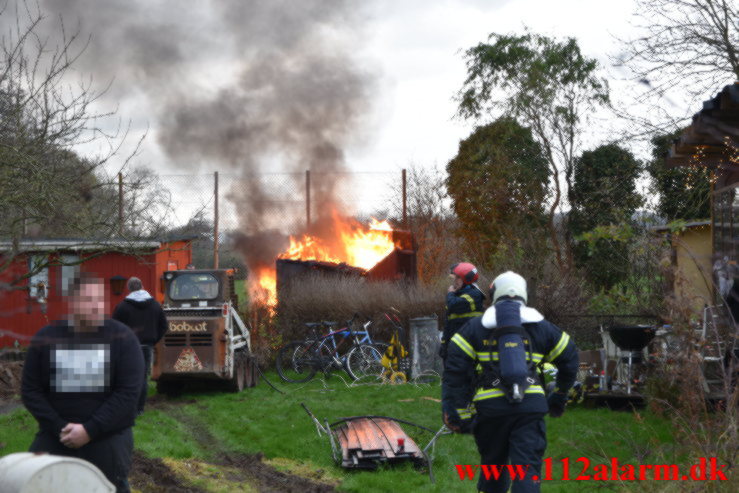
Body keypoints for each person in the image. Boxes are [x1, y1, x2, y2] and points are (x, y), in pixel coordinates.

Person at [442, 271, 579, 493]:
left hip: (490, 410)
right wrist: (559, 396)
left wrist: (460, 413)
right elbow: (570, 359)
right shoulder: (542, 327)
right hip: (530, 408)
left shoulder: (475, 328)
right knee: (526, 471)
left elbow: (455, 373)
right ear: (523, 294)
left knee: (493, 469)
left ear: (494, 294)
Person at [21, 272, 144, 493]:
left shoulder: (123, 339)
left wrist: (90, 430)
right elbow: (31, 391)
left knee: (108, 486)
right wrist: (59, 427)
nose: (96, 306)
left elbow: (128, 393)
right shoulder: (46, 339)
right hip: (56, 434)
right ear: (73, 302)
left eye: (100, 299)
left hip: (108, 436)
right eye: (88, 300)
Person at [112, 277, 168, 414]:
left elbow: (114, 328)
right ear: (142, 286)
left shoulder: (122, 307)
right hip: (146, 346)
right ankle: (140, 408)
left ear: (128, 288)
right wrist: (154, 340)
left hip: (128, 347)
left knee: (127, 377)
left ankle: (128, 406)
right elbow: (164, 325)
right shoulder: (155, 305)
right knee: (142, 378)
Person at [440, 262, 485, 360]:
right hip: (454, 346)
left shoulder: (474, 295)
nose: (455, 281)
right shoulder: (458, 295)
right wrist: (444, 344)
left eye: (458, 278)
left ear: (467, 279)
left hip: (468, 349)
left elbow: (453, 305)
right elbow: (449, 323)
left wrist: (450, 293)